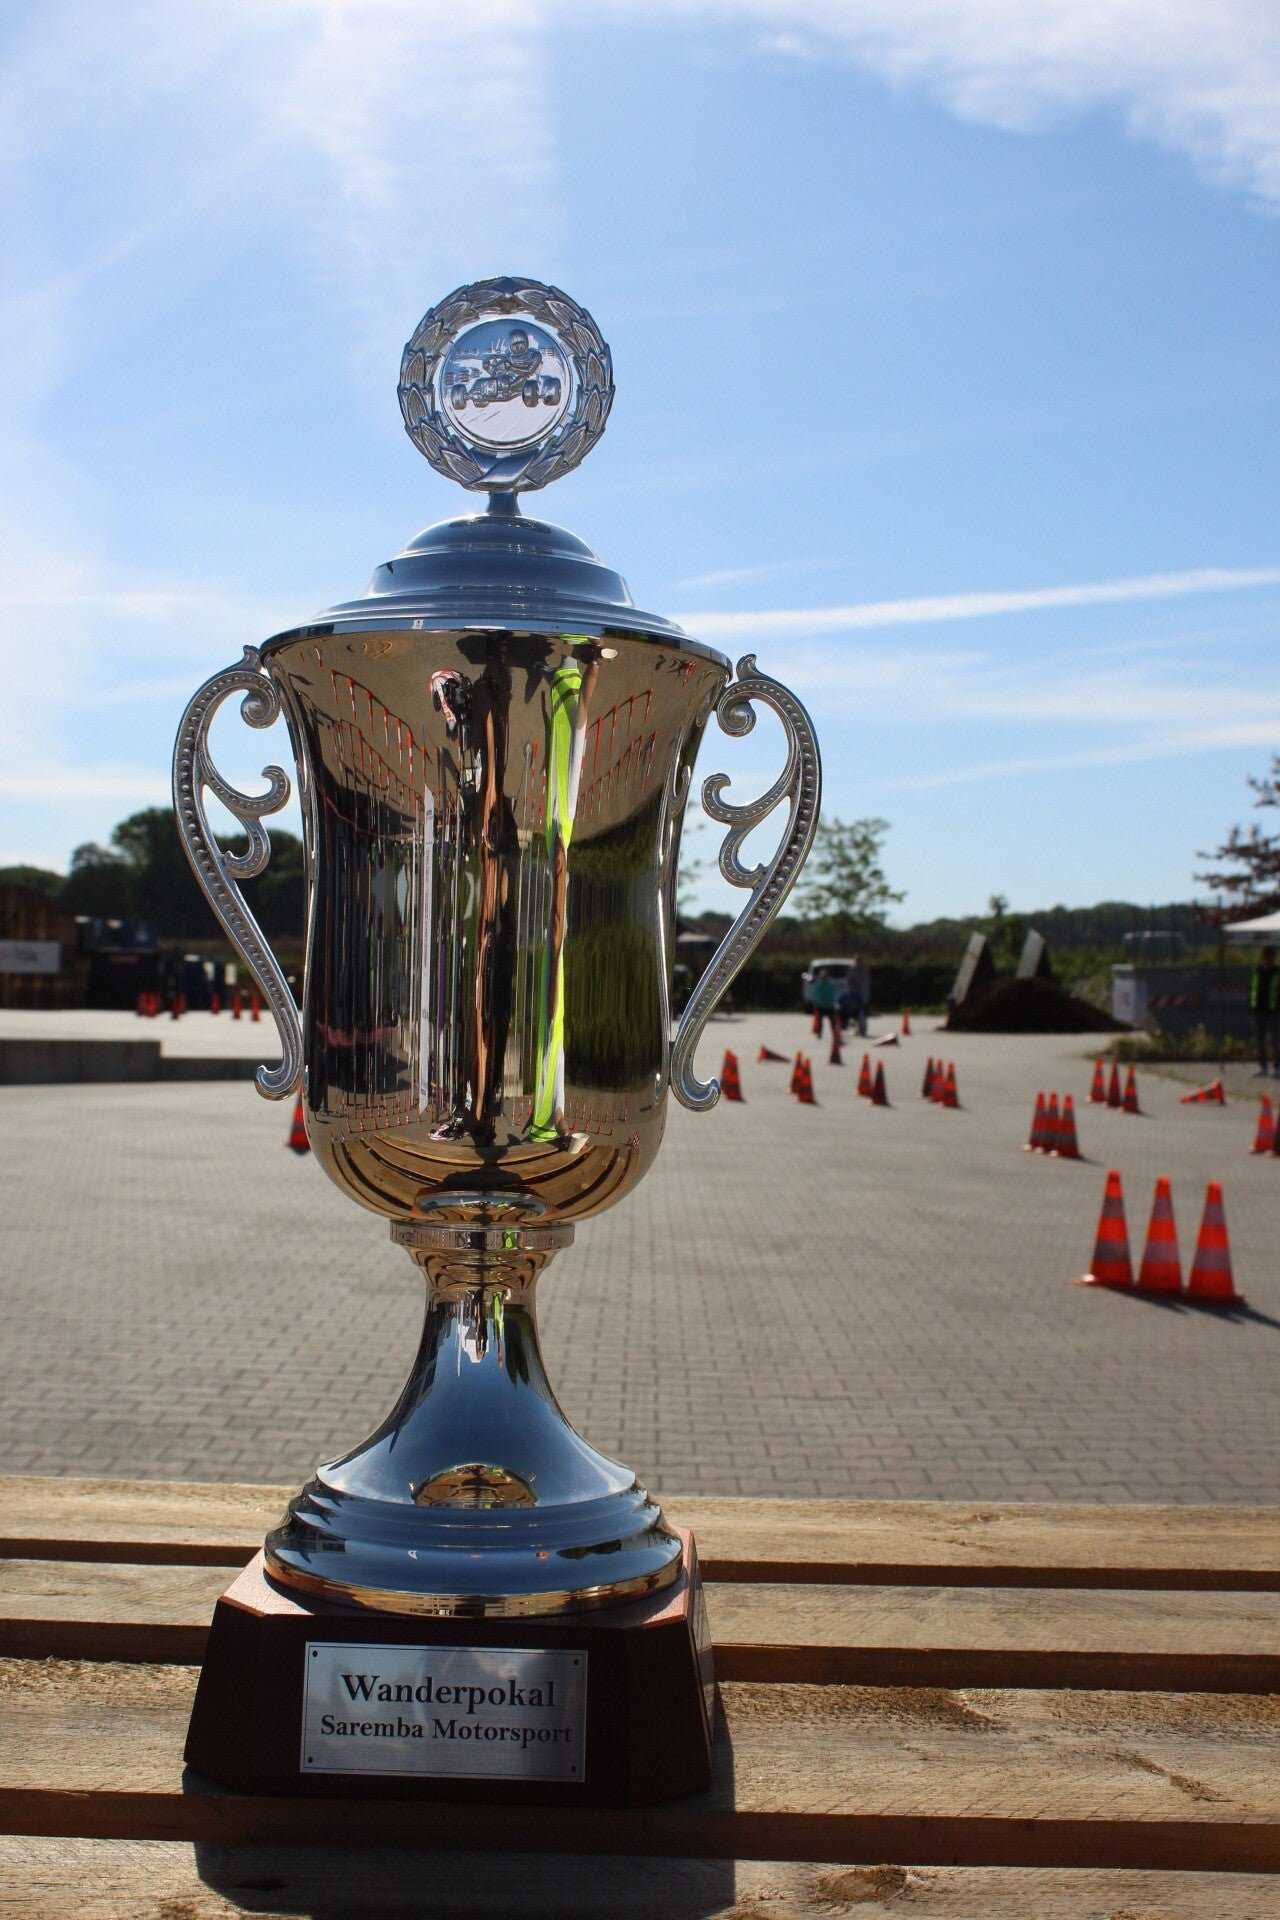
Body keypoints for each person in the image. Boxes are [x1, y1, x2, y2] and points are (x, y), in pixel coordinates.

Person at [1249, 946, 1280, 1077]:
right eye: (1265, 956)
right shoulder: (1257, 971)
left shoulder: (1277, 972)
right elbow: (1252, 989)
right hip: (1259, 1010)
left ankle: (1277, 1066)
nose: (1267, 959)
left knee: (1275, 1040)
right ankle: (1263, 1066)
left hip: (1274, 1011)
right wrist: (1252, 1007)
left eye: (1270, 956)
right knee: (1260, 1040)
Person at [845, 955, 870, 1038]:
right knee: (854, 1013)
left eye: (859, 961)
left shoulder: (864, 970)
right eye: (856, 961)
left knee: (861, 1012)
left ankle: (862, 1029)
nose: (858, 962)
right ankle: (857, 1028)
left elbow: (866, 983)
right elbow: (848, 981)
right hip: (854, 993)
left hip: (862, 994)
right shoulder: (852, 970)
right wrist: (851, 989)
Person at [811, 970, 838, 1037]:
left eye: (825, 976)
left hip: (830, 1006)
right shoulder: (818, 985)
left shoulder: (830, 985)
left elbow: (833, 996)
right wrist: (816, 1003)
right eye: (823, 976)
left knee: (833, 1021)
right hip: (820, 1006)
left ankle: (835, 1034)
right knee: (819, 1021)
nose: (824, 977)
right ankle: (819, 1033)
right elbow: (816, 996)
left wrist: (835, 1003)